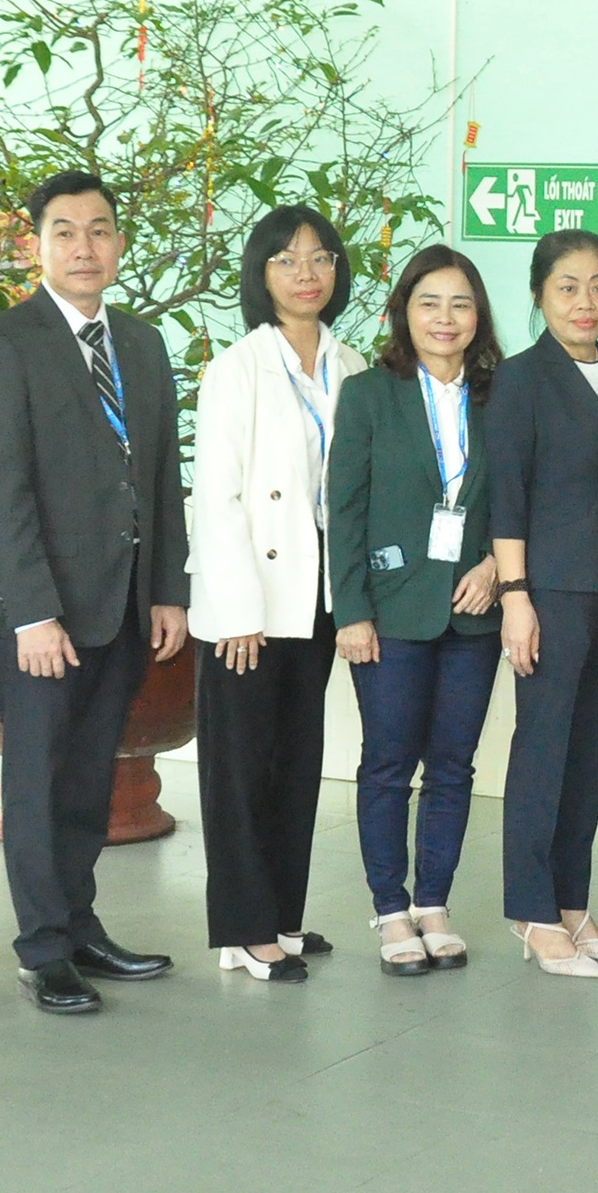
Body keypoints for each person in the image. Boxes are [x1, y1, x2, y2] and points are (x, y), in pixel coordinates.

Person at [0, 170, 190, 1016]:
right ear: (36, 245)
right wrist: (32, 611)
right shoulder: (4, 344)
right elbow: (0, 488)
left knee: (92, 774)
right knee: (39, 778)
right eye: (65, 231)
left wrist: (167, 588)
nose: (84, 247)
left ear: (119, 243)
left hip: (124, 604)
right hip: (40, 616)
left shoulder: (141, 341)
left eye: (99, 230)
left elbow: (160, 472)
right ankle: (42, 947)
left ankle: (82, 922)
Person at [186, 205, 365, 985]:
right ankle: (243, 927)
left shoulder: (352, 365)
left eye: (320, 258)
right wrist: (236, 610)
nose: (306, 273)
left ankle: (283, 918)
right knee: (239, 767)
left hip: (318, 593)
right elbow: (216, 497)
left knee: (298, 756)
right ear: (261, 274)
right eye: (287, 260)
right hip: (252, 602)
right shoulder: (236, 368)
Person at [331, 244, 503, 976]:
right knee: (389, 762)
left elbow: (522, 495)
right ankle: (390, 907)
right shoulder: (372, 392)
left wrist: (498, 564)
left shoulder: (502, 393)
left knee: (455, 765)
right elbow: (344, 507)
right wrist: (350, 610)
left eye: (460, 303)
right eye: (429, 301)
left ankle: (434, 901)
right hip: (391, 610)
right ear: (403, 310)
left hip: (474, 610)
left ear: (478, 316)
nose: (445, 316)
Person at [486, 228, 598, 977]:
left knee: (590, 754)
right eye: (569, 286)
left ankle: (573, 904)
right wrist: (516, 597)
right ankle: (533, 911)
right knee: (543, 752)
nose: (586, 302)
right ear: (541, 294)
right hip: (550, 590)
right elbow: (505, 497)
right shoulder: (522, 379)